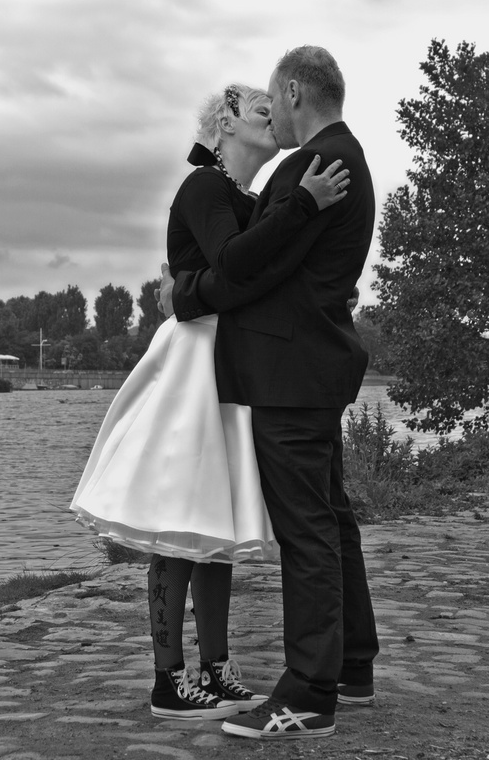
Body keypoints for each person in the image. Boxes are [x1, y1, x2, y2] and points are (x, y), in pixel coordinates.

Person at [70, 82, 351, 720]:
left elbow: (243, 275)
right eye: (259, 108)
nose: (272, 115)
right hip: (194, 363)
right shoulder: (203, 189)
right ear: (226, 123)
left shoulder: (245, 197)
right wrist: (303, 205)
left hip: (226, 361)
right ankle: (169, 679)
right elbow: (232, 263)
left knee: (212, 523)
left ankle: (217, 669)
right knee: (180, 514)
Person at [164, 45, 378, 741]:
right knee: (331, 516)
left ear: (293, 92)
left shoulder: (309, 167)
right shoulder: (347, 158)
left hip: (290, 373)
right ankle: (350, 664)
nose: (270, 112)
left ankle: (309, 692)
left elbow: (246, 268)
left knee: (307, 527)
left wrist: (186, 293)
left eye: (272, 99)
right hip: (312, 366)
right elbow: (261, 263)